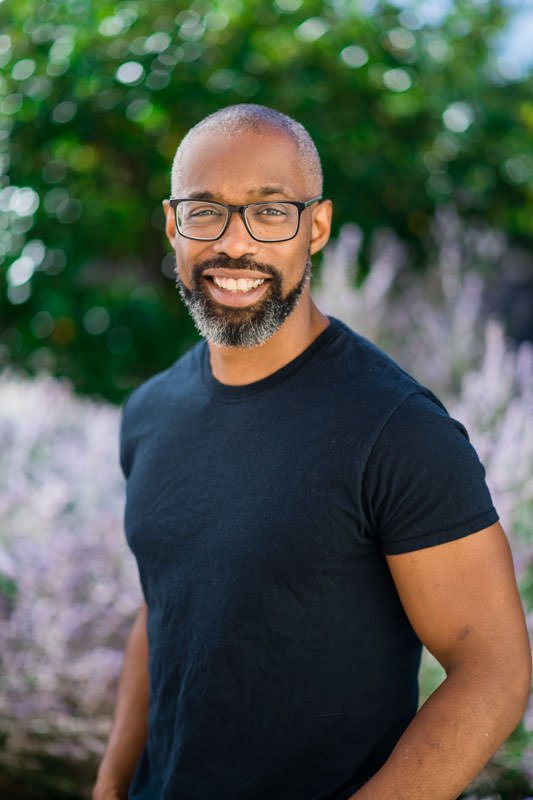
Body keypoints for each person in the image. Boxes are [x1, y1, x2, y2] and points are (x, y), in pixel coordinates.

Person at [93, 104, 531, 800]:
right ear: (173, 226)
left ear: (316, 228)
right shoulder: (150, 412)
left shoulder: (395, 428)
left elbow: (493, 670)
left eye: (270, 213)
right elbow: (167, 604)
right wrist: (111, 782)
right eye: (206, 211)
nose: (234, 245)